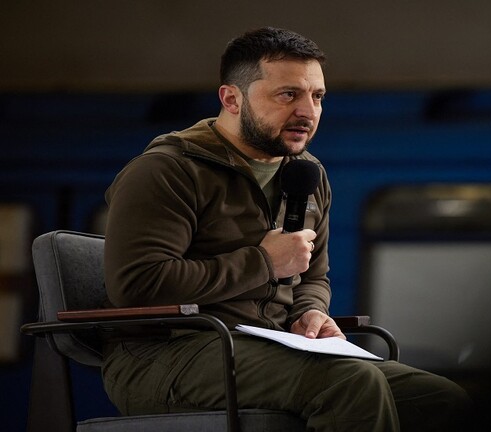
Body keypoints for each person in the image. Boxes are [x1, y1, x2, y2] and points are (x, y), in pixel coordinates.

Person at [101, 26, 471, 431]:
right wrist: (262, 262)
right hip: (165, 354)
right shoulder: (168, 170)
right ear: (232, 99)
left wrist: (310, 312)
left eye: (318, 97)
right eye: (288, 95)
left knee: (441, 400)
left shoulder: (308, 174)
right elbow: (137, 285)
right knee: (349, 382)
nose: (308, 112)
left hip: (268, 346)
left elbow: (312, 276)